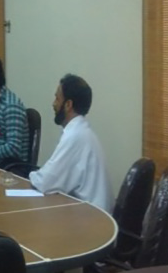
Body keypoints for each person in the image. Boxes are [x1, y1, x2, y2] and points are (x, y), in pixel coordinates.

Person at [29, 74, 114, 212]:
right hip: (87, 211)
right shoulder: (82, 131)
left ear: (68, 105)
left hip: (91, 217)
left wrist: (29, 175)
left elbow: (45, 183)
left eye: (57, 98)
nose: (53, 104)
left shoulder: (75, 136)